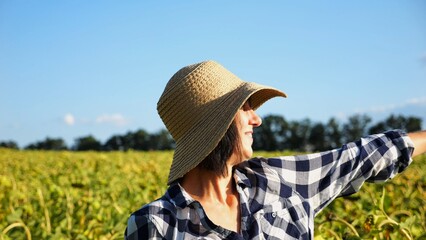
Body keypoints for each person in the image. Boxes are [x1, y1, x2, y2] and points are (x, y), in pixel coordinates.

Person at [125, 60, 426, 239]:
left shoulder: (279, 181)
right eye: (244, 108)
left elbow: (360, 158)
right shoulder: (155, 225)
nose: (256, 119)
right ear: (214, 127)